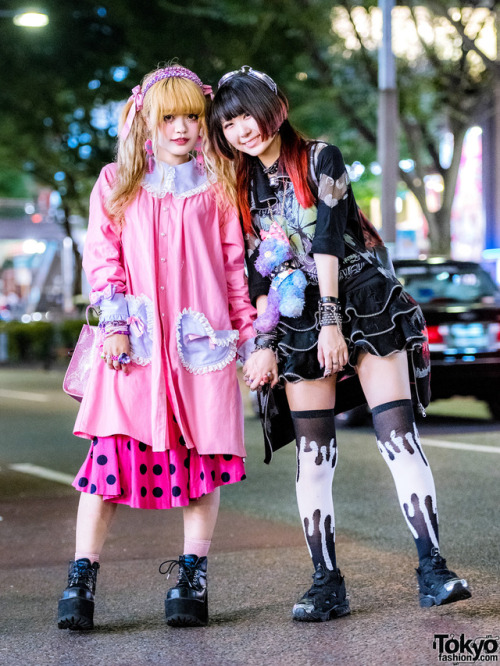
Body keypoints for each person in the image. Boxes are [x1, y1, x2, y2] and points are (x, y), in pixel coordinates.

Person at [206, 65, 471, 622]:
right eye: (229, 124)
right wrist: (263, 342)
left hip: (358, 296)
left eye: (248, 114)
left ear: (273, 107)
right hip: (295, 317)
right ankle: (326, 583)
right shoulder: (238, 184)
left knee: (397, 436)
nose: (242, 130)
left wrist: (331, 320)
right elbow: (257, 275)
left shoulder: (319, 156)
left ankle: (434, 568)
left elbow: (328, 236)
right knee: (313, 455)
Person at [57, 64, 256, 630]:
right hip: (134, 347)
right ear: (148, 118)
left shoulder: (218, 184)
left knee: (203, 465)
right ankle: (81, 579)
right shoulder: (117, 180)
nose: (181, 128)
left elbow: (234, 269)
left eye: (191, 116)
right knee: (106, 465)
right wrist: (114, 321)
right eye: (169, 117)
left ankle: (193, 578)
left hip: (199, 349)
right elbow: (102, 259)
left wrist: (246, 338)